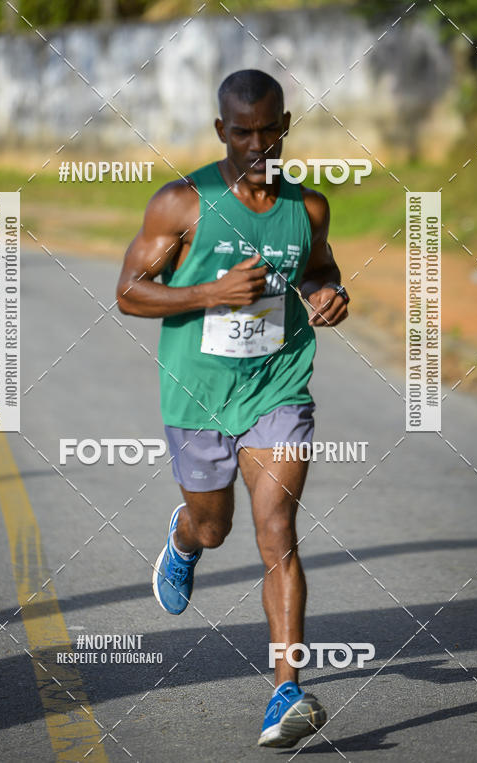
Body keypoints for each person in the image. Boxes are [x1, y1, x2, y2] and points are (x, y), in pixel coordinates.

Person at [116, 69, 349, 748]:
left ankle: (286, 691)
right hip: (198, 393)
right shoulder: (182, 203)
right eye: (242, 132)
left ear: (285, 126)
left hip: (278, 385)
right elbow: (129, 292)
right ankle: (185, 538)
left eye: (269, 130)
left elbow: (319, 267)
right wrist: (210, 293)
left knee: (277, 528)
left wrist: (327, 292)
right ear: (222, 129)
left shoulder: (308, 208)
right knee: (215, 527)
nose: (257, 145)